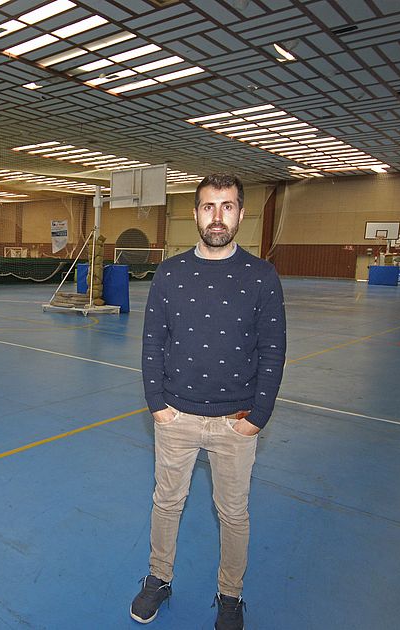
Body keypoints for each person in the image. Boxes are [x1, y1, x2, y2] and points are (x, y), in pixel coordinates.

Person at [130, 173, 286, 629]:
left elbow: (273, 348)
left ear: (241, 213)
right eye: (208, 206)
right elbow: (152, 342)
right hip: (175, 416)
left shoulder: (262, 276)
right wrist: (156, 403)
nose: (217, 216)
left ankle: (230, 594)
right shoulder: (171, 272)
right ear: (195, 213)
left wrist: (258, 416)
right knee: (166, 503)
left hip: (235, 422)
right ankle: (159, 577)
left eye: (227, 206)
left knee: (234, 513)